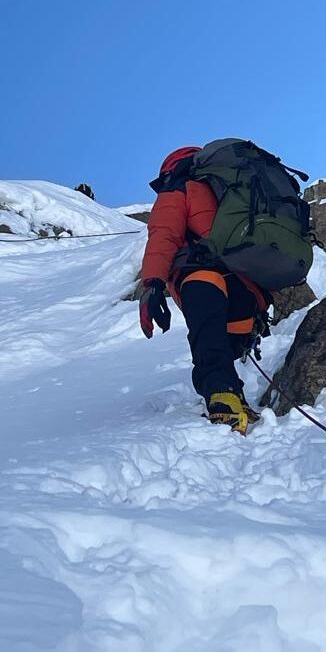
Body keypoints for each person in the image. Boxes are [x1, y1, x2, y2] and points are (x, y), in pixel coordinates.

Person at [138, 146, 271, 435]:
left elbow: (164, 234)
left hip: (203, 277)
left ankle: (223, 398)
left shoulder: (177, 187)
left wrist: (152, 285)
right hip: (246, 287)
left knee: (208, 338)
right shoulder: (233, 187)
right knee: (224, 344)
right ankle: (233, 396)